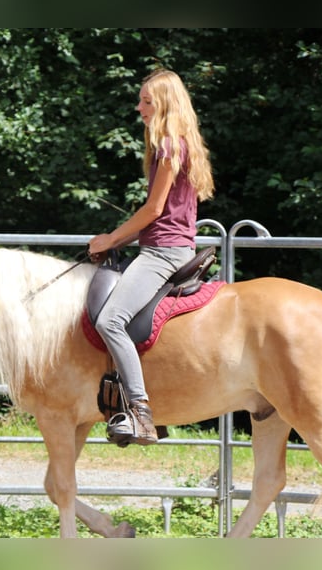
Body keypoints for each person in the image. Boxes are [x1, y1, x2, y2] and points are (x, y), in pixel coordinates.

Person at [88, 68, 215, 445]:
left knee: (111, 320)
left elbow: (154, 209)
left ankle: (141, 412)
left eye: (147, 101)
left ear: (164, 105)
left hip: (163, 253)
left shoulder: (169, 146)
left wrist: (110, 239)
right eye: (141, 100)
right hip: (170, 247)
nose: (139, 108)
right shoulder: (180, 144)